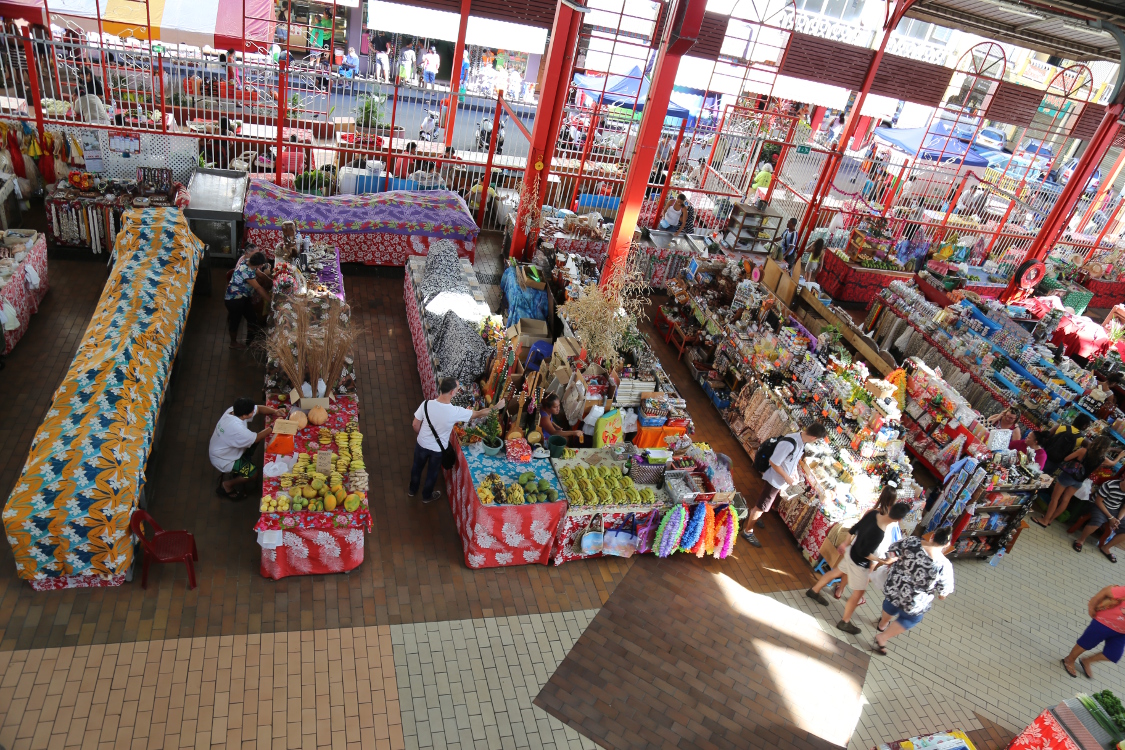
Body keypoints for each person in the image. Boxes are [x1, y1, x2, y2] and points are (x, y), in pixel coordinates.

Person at [807, 502, 912, 634]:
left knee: (836, 572)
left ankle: (814, 590)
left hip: (850, 552)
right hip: (859, 564)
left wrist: (846, 543)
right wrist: (881, 560)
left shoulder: (873, 514)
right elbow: (865, 553)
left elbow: (854, 528)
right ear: (899, 520)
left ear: (890, 508)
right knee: (858, 594)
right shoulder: (880, 533)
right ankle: (845, 622)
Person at [411, 377, 506, 502]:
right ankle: (426, 496)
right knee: (432, 473)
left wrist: (423, 436)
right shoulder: (454, 412)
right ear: (452, 392)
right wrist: (497, 407)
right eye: (457, 388)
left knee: (417, 468)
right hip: (438, 450)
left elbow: (415, 424)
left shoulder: (426, 404)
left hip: (421, 444)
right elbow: (479, 414)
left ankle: (412, 490)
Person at [741, 422, 828, 548]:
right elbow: (774, 462)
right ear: (814, 438)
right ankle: (748, 531)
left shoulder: (800, 442)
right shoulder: (789, 443)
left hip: (779, 480)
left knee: (763, 503)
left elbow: (790, 462)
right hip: (774, 480)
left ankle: (754, 514)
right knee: (762, 505)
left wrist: (792, 473)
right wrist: (787, 477)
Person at [872, 527, 954, 654]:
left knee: (890, 603)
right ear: (947, 545)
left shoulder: (912, 542)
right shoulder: (944, 565)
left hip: (895, 585)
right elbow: (943, 593)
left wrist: (893, 561)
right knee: (911, 619)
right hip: (914, 600)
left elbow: (891, 553)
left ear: (932, 536)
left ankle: (882, 624)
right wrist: (941, 594)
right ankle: (882, 638)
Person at [825, 485, 899, 601]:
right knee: (866, 574)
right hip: (877, 550)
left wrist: (847, 541)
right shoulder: (893, 518)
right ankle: (858, 598)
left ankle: (839, 590)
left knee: (849, 568)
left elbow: (859, 527)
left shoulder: (872, 512)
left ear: (881, 496)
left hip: (861, 545)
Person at [209, 397, 281, 498]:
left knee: (253, 442)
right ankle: (228, 485)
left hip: (224, 448)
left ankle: (241, 466)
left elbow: (259, 409)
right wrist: (273, 427)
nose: (254, 412)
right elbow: (256, 438)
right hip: (224, 458)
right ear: (245, 415)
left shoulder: (233, 411)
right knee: (253, 473)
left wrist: (275, 411)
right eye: (252, 412)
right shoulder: (237, 429)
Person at [1038, 434, 1113, 528]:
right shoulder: (1102, 459)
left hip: (1067, 476)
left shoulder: (1084, 451)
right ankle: (1050, 519)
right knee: (1065, 500)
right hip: (1079, 481)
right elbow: (1112, 463)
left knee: (1055, 498)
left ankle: (1044, 520)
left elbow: (1066, 458)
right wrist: (1121, 455)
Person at [1062, 584, 1125, 678]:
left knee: (1113, 655)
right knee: (1086, 643)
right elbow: (1107, 590)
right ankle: (1069, 659)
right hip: (1104, 622)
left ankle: (1086, 661)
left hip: (1121, 632)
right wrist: (1092, 606)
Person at [225, 251, 271, 349]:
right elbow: (258, 288)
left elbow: (261, 275)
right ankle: (233, 343)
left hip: (243, 297)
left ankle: (249, 342)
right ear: (258, 264)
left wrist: (272, 281)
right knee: (235, 322)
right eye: (262, 264)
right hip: (234, 300)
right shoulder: (246, 271)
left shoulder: (248, 262)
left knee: (252, 318)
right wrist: (270, 300)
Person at [1073, 478, 1125, 559]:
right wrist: (1110, 517)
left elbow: (1124, 508)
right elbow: (1098, 501)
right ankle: (1080, 540)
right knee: (1096, 523)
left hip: (1114, 510)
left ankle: (1106, 547)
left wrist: (1118, 519)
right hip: (1099, 506)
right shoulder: (1110, 484)